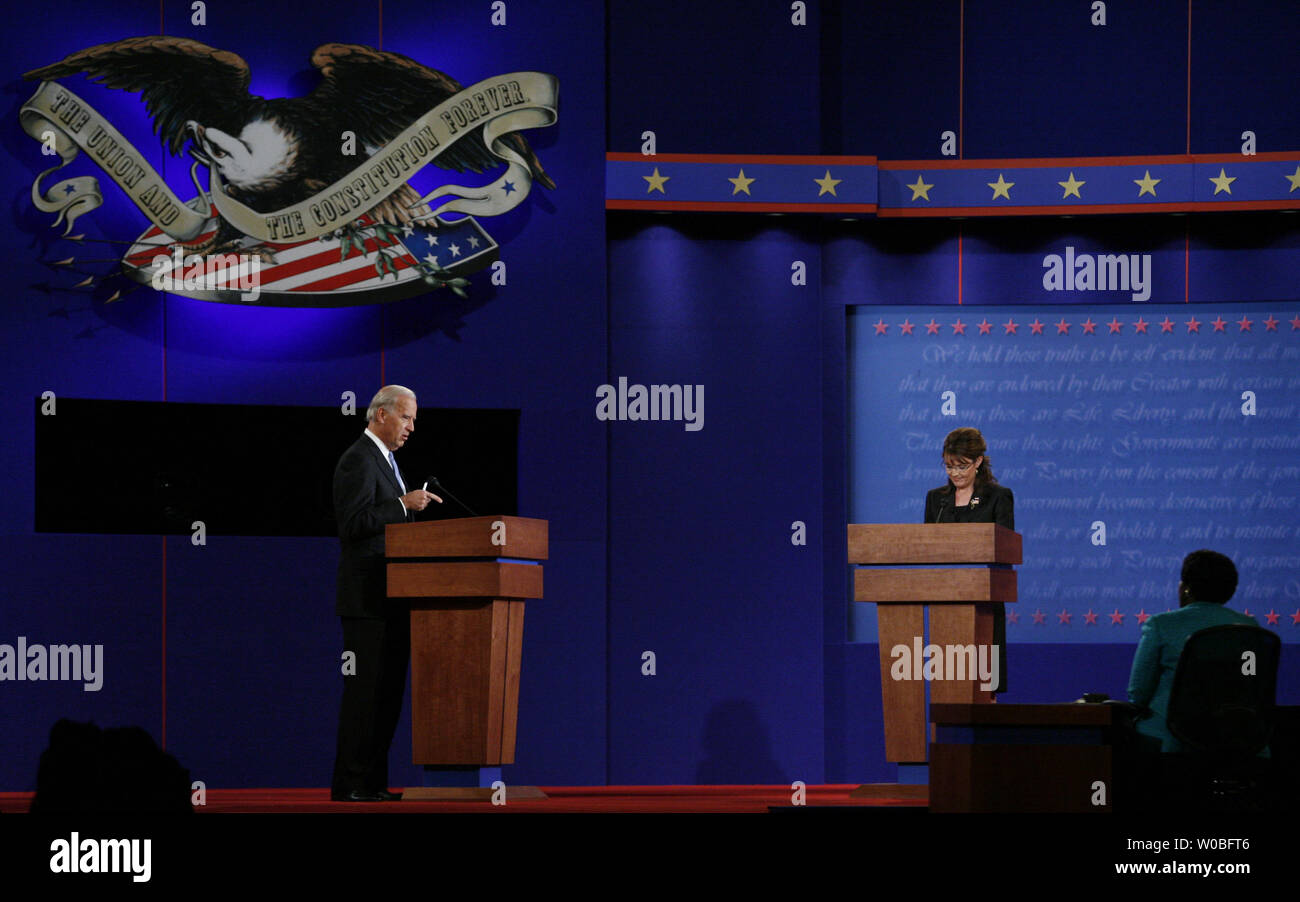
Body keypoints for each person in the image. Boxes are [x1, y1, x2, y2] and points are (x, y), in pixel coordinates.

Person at [330, 385, 440, 802]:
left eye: (413, 419)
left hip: (394, 597)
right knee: (364, 694)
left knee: (388, 695)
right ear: (380, 415)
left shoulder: (388, 460)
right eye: (407, 417)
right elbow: (353, 525)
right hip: (367, 601)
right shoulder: (358, 459)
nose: (412, 427)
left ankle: (373, 782)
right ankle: (349, 784)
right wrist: (403, 504)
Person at [1126, 549, 1258, 754]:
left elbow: (1138, 694)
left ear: (1186, 588)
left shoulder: (1160, 625)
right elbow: (1252, 687)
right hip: (1235, 739)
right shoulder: (1250, 627)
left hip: (1170, 742)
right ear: (1230, 589)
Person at [923, 427, 1013, 693]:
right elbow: (924, 546)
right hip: (946, 600)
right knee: (949, 682)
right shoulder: (936, 499)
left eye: (962, 466)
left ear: (978, 461)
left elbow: (1005, 549)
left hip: (985, 600)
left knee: (986, 683)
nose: (955, 474)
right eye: (949, 466)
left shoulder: (998, 497)